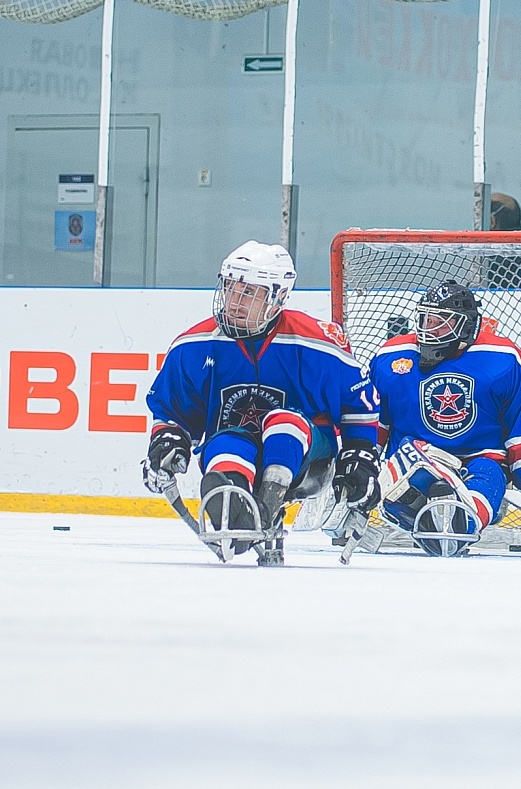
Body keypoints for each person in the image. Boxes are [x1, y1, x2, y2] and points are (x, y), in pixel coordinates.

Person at [143, 241, 380, 563]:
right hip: (233, 444)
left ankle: (265, 508)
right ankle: (233, 502)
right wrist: (167, 440)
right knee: (225, 439)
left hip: (309, 459)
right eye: (229, 288)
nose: (234, 302)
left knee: (284, 419)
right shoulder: (193, 346)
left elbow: (359, 407)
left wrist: (360, 457)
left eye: (248, 293)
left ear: (277, 298)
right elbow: (173, 413)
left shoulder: (317, 343)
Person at [367, 280, 521, 557]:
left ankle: (461, 525)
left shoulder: (504, 358)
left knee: (489, 474)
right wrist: (356, 469)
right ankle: (439, 514)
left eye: (441, 322)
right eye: (425, 319)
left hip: (480, 459)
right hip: (414, 461)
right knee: (412, 469)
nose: (428, 329)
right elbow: (371, 426)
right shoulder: (391, 356)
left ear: (466, 325)